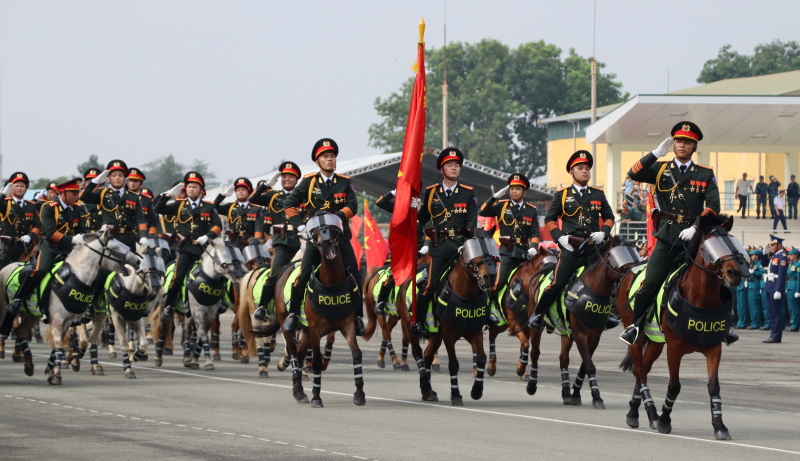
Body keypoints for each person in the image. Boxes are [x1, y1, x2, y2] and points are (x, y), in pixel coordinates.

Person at [618, 121, 737, 346]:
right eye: (679, 141)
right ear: (673, 144)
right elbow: (633, 172)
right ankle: (635, 327)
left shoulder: (704, 174)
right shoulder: (660, 169)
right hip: (667, 238)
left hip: (695, 239)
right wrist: (654, 154)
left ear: (694, 146)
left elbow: (713, 205)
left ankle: (726, 326)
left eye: (687, 142)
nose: (682, 146)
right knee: (650, 283)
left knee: (718, 277)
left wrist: (696, 226)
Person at [283, 139, 365, 335]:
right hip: (316, 241)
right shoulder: (309, 182)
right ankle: (293, 315)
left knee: (355, 274)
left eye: (332, 156)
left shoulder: (344, 181)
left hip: (340, 239)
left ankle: (358, 316)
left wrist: (334, 218)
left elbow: (353, 206)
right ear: (317, 161)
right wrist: (300, 227)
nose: (329, 160)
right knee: (302, 277)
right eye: (325, 157)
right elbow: (289, 204)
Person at [528, 150, 615, 331]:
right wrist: (560, 238)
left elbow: (609, 217)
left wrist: (604, 233)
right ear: (571, 172)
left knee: (609, 274)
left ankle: (607, 314)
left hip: (593, 247)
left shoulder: (598, 194)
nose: (585, 171)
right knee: (557, 282)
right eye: (580, 168)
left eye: (587, 168)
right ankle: (538, 314)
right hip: (571, 247)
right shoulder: (562, 194)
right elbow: (550, 219)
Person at [0, 178, 85, 336]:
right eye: (73, 193)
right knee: (41, 270)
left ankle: (80, 309)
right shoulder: (49, 207)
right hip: (49, 248)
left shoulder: (77, 209)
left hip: (68, 250)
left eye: (77, 193)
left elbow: (82, 229)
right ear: (63, 193)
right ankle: (18, 299)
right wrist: (72, 239)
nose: (76, 196)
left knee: (84, 274)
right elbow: (50, 232)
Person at [415, 147, 478, 336]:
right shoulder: (432, 192)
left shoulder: (468, 193)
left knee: (483, 280)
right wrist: (414, 211)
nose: (454, 168)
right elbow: (423, 218)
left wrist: (466, 242)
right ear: (442, 169)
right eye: (450, 165)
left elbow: (472, 222)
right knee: (430, 285)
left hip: (461, 248)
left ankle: (485, 315)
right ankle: (417, 320)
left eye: (457, 165)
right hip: (440, 247)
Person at [157, 171, 223, 319]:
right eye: (189, 187)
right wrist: (167, 194)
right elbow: (158, 208)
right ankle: (169, 305)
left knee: (219, 272)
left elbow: (218, 225)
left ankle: (221, 301)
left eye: (194, 187)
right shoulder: (179, 205)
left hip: (203, 249)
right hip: (185, 249)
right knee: (177, 277)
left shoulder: (208, 206)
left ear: (200, 189)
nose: (191, 189)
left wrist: (207, 237)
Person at [249, 161, 303, 322]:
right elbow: (254, 198)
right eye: (284, 176)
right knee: (274, 275)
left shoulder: (303, 195)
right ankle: (263, 307)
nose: (287, 179)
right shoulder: (273, 196)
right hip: (283, 244)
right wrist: (267, 185)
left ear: (296, 179)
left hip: (302, 242)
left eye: (290, 177)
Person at [479, 172, 540, 307]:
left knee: (534, 283)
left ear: (524, 192)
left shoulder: (531, 211)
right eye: (512, 188)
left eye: (517, 189)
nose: (514, 191)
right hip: (507, 253)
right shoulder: (501, 206)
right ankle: (487, 308)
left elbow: (535, 232)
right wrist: (495, 196)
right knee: (498, 283)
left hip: (525, 253)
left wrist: (534, 247)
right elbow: (482, 211)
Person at [79, 160, 149, 251]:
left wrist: (143, 236)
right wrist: (95, 181)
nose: (117, 178)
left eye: (120, 175)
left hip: (129, 239)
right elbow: (84, 197)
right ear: (108, 178)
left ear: (125, 178)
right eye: (113, 175)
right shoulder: (103, 194)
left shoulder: (133, 197)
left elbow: (140, 219)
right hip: (109, 240)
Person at [0, 172, 41, 269]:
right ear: (12, 188)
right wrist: (2, 195)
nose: (19, 188)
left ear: (26, 189)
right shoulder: (5, 203)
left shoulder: (30, 205)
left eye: (22, 186)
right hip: (8, 247)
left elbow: (38, 225)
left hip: (25, 247)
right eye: (16, 186)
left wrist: (30, 236)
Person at [214, 177, 265, 250]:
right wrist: (223, 195)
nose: (240, 192)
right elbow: (212, 207)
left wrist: (256, 241)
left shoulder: (255, 209)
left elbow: (258, 228)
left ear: (248, 192)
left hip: (250, 243)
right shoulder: (230, 207)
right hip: (234, 243)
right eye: (238, 190)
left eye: (243, 190)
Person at [763, 235, 788, 343]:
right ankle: (773, 334)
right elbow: (763, 264)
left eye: (773, 245)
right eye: (770, 245)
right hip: (769, 287)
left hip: (775, 288)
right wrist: (764, 254)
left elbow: (782, 275)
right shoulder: (774, 256)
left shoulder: (782, 257)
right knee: (771, 312)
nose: (771, 247)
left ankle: (776, 335)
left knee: (776, 312)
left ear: (779, 245)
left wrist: (778, 290)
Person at [127, 168, 160, 236]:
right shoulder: (123, 197)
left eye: (135, 181)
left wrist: (151, 235)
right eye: (131, 180)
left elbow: (152, 222)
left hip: (142, 236)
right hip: (125, 235)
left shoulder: (147, 200)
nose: (132, 183)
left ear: (141, 184)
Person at [747, 249, 765, 330]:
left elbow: (762, 273)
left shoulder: (760, 263)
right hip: (751, 284)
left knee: (755, 306)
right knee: (751, 305)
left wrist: (753, 272)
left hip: (756, 285)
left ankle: (756, 323)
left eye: (753, 255)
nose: (751, 256)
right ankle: (753, 322)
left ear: (757, 256)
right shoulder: (753, 264)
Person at [786, 248, 800, 332]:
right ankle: (793, 323)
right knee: (790, 307)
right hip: (789, 286)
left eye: (791, 254)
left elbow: (799, 279)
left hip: (794, 286)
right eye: (789, 254)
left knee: (795, 307)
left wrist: (798, 290)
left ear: (796, 255)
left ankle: (795, 325)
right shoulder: (791, 264)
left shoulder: (798, 265)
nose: (789, 256)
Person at [735, 259, 749, 329]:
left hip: (743, 285)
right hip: (739, 286)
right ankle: (740, 321)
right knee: (739, 306)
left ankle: (743, 322)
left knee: (743, 306)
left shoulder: (745, 264)